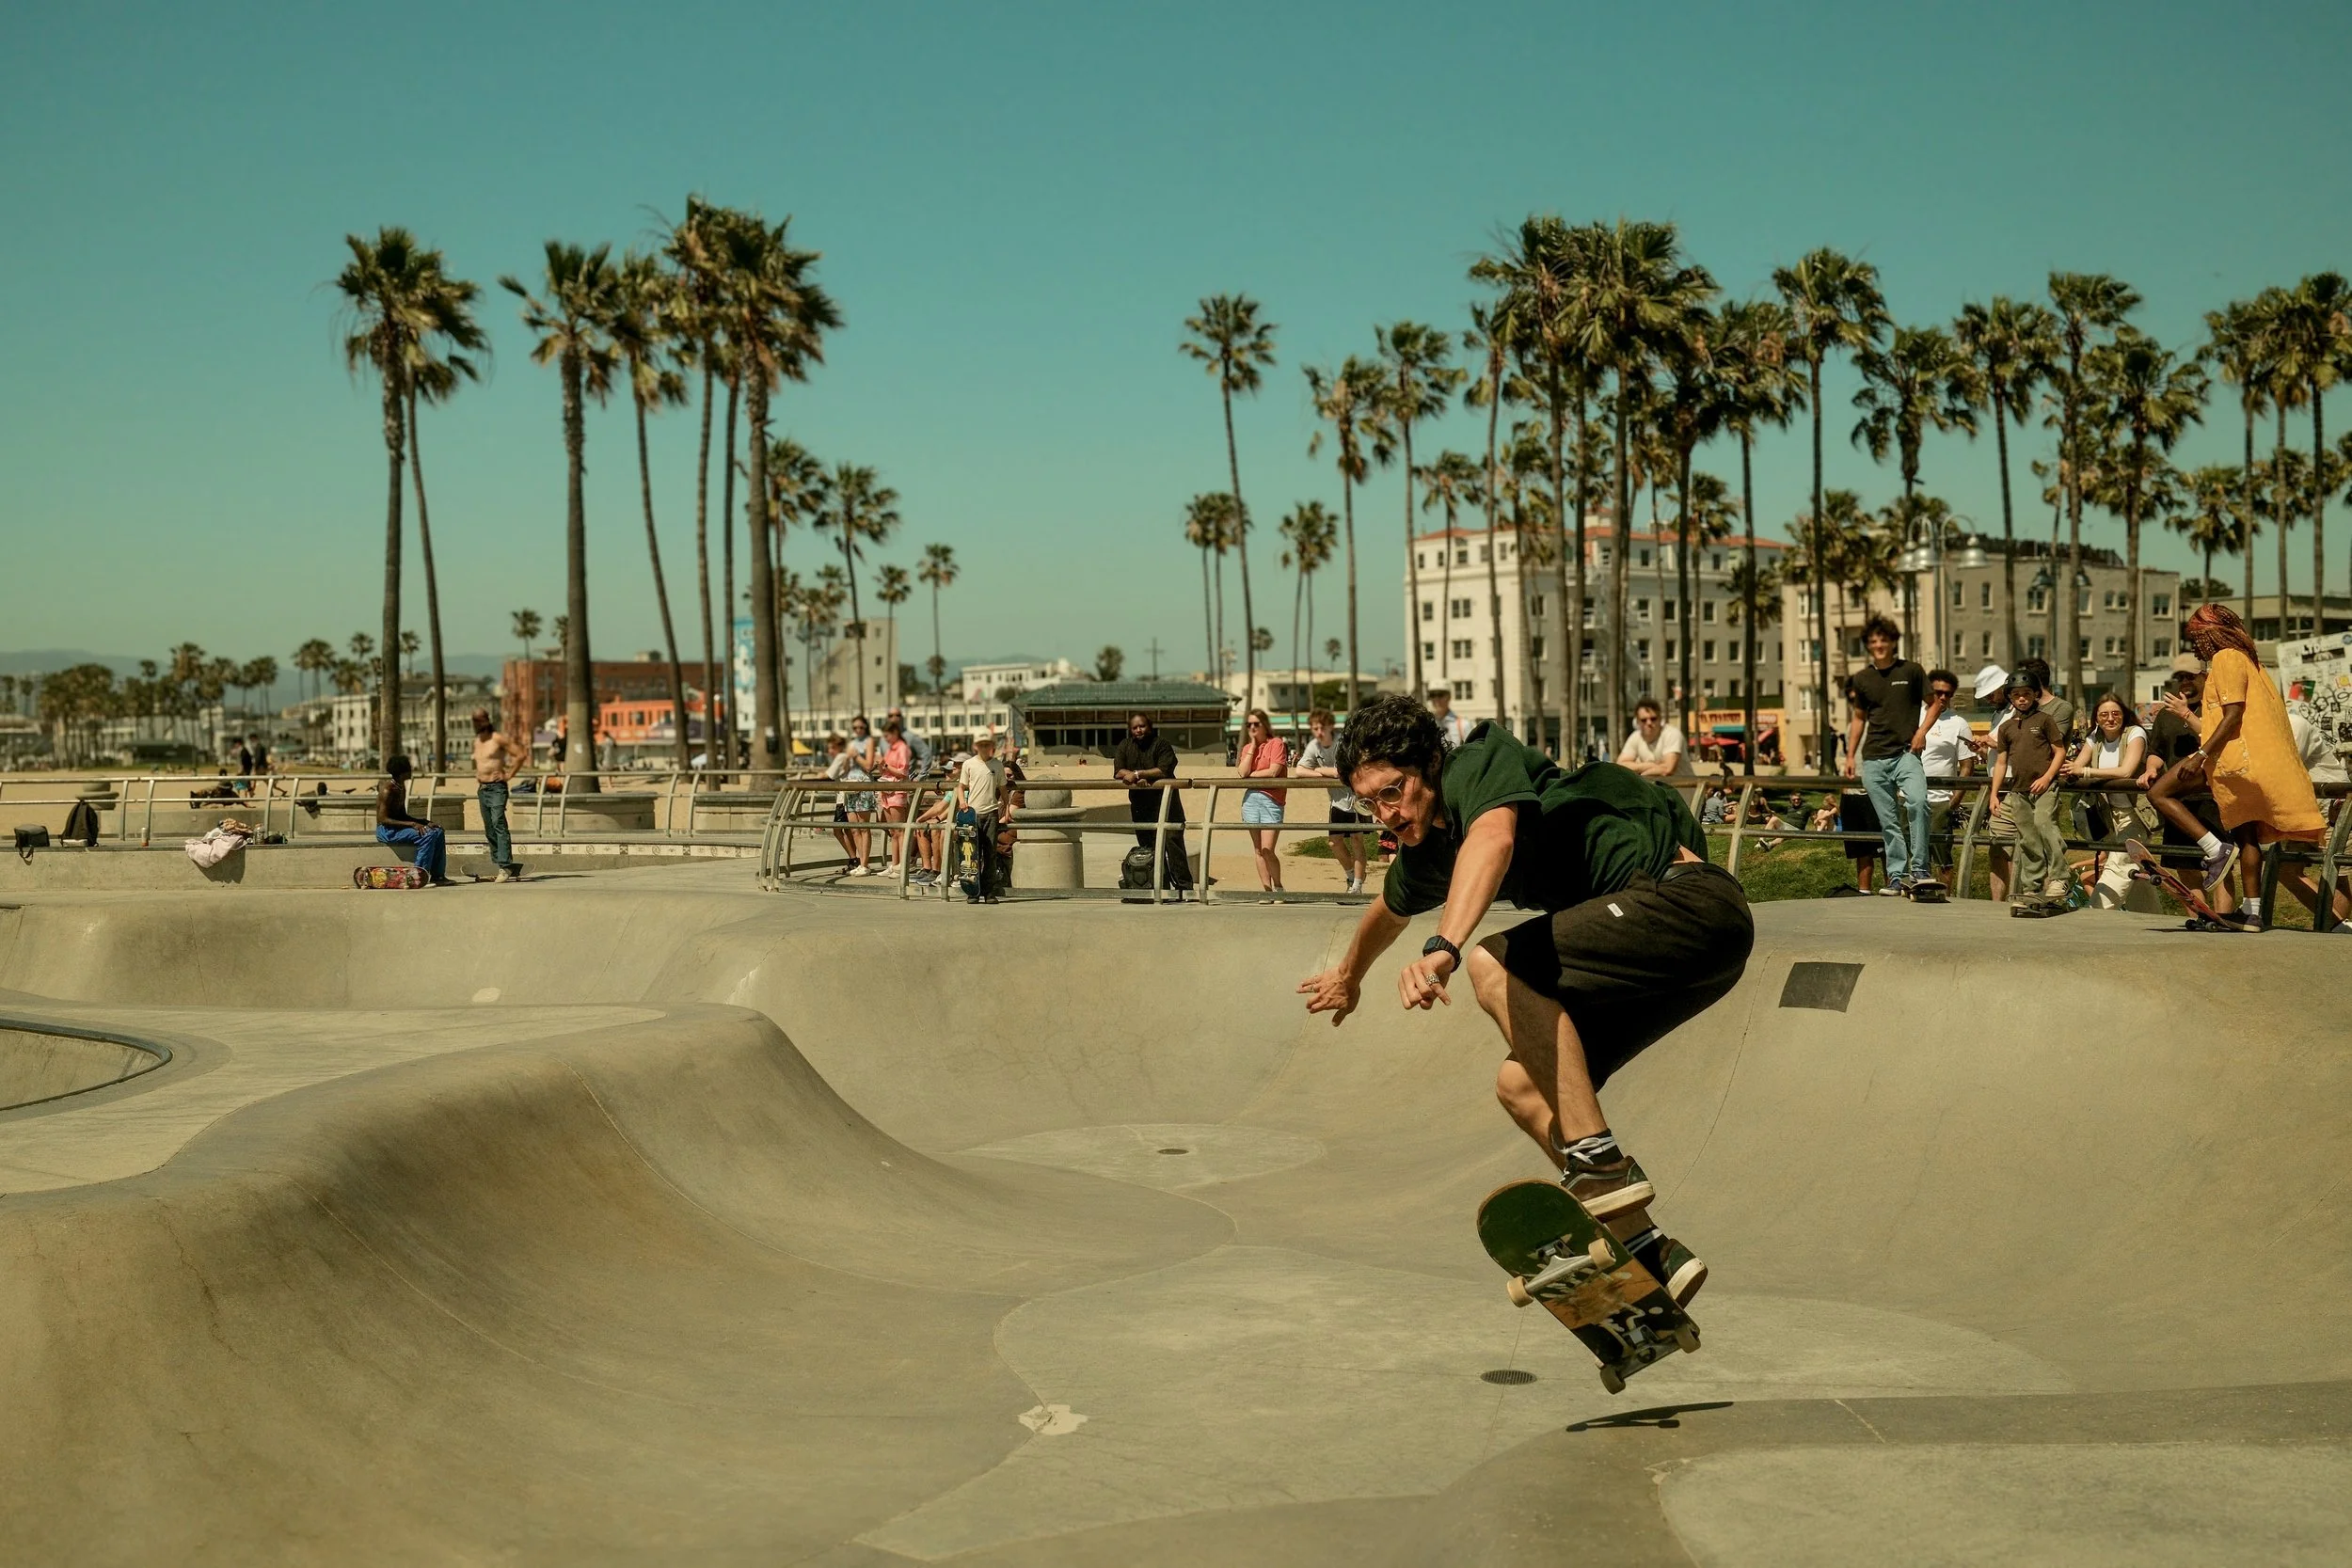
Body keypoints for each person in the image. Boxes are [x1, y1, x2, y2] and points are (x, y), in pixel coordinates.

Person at [1295, 694, 1753, 1307]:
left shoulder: (1475, 761)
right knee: (1520, 1084)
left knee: (1492, 961)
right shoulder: (1426, 848)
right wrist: (1350, 975)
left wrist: (1445, 946)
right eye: (1370, 801)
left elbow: (1493, 839)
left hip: (1692, 902)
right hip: (1681, 963)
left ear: (1429, 763)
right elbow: (1388, 910)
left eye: (1394, 790)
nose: (1386, 813)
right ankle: (1649, 1249)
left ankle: (1598, 1165)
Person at [2147, 604, 2326, 928]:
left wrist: (2201, 756)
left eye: (2196, 637)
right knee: (2247, 836)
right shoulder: (2250, 660)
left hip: (2233, 759)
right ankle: (2252, 913)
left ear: (2211, 632)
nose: (2195, 646)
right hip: (2256, 759)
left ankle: (2214, 849)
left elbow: (2232, 715)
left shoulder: (2226, 657)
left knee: (2160, 792)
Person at [1840, 614, 1939, 895]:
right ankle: (1896, 877)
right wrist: (1850, 757)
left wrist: (1921, 733)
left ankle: (1920, 868)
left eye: (1884, 639)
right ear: (1868, 646)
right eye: (1873, 641)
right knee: (1889, 822)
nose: (1879, 645)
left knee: (1919, 803)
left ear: (1893, 641)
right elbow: (1859, 720)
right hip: (1873, 759)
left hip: (1905, 754)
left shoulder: (1912, 671)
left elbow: (1934, 705)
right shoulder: (1863, 679)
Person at [1987, 676, 2071, 915]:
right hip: (2019, 790)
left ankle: (2059, 877)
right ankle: (2032, 887)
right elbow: (2001, 762)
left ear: (2035, 694)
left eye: (2026, 693)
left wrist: (2047, 778)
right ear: (2010, 697)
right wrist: (1995, 794)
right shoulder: (2007, 727)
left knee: (2044, 823)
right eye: (2016, 695)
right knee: (2028, 838)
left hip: (2044, 787)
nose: (2021, 699)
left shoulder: (2045, 720)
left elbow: (2060, 751)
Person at [1112, 711, 1192, 893]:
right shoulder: (1125, 745)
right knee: (1149, 847)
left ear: (1150, 726)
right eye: (1134, 727)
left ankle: (1184, 888)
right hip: (1141, 805)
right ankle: (1159, 887)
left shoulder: (1161, 744)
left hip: (1167, 804)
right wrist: (1132, 777)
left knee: (1173, 846)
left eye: (1142, 726)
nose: (1138, 730)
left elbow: (1164, 769)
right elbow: (1118, 771)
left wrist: (1139, 773)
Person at [1295, 708, 1368, 894]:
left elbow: (1341, 771)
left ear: (1330, 726)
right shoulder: (1314, 746)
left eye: (1321, 727)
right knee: (1334, 842)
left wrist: (1323, 770)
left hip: (1357, 799)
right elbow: (1300, 770)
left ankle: (1358, 885)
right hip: (1337, 801)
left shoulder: (1343, 742)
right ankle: (1351, 876)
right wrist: (1321, 772)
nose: (1318, 732)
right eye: (1314, 728)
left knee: (1356, 840)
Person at [1916, 669, 1975, 877]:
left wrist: (1955, 799)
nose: (1942, 697)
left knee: (1942, 860)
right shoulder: (1913, 716)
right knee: (1909, 855)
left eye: (1947, 693)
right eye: (1937, 691)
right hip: (1909, 798)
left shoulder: (1958, 723)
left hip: (1940, 801)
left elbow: (1967, 765)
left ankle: (1944, 901)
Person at [1235, 707, 1290, 895]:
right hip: (1251, 800)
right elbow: (1242, 772)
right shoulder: (1246, 749)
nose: (1252, 727)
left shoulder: (1276, 743)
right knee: (1258, 849)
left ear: (1264, 725)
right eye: (1248, 724)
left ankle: (1279, 886)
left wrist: (1252, 775)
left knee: (1268, 849)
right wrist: (1252, 746)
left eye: (1256, 724)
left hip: (1271, 800)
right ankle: (1266, 890)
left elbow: (1274, 771)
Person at [470, 708, 528, 882]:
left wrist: (509, 775)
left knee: (498, 823)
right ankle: (499, 864)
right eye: (474, 720)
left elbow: (521, 754)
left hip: (497, 788)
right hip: (482, 788)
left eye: (479, 720)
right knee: (489, 828)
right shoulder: (477, 741)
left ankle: (505, 864)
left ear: (486, 720)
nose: (476, 723)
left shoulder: (498, 738)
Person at [374, 754, 451, 886]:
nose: (412, 771)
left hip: (397, 827)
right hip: (387, 831)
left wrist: (424, 822)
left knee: (437, 831)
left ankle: (438, 876)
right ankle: (418, 876)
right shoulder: (388, 790)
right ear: (402, 772)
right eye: (409, 769)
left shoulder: (400, 787)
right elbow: (383, 819)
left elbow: (403, 815)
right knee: (428, 835)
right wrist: (413, 824)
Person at [952, 730, 1007, 903]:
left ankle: (988, 891)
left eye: (987, 744)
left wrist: (1008, 808)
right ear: (976, 746)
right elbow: (960, 787)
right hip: (973, 813)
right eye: (981, 744)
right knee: (971, 854)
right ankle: (973, 891)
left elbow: (1003, 789)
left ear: (992, 746)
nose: (984, 747)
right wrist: (962, 803)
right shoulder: (969, 764)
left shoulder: (997, 765)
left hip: (991, 813)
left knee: (990, 853)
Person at [874, 717, 915, 874]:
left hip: (897, 791)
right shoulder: (890, 749)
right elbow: (885, 770)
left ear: (895, 733)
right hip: (886, 790)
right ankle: (895, 863)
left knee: (900, 830)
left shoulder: (902, 748)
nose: (886, 739)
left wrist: (885, 765)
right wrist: (881, 766)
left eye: (887, 735)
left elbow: (903, 772)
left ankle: (902, 863)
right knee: (893, 831)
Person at [1616, 698, 1692, 778]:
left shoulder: (1672, 734)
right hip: (1658, 788)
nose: (1649, 723)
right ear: (1637, 722)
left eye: (1653, 719)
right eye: (1644, 720)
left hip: (1685, 788)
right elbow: (1620, 766)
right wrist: (1649, 765)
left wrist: (1641, 775)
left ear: (1660, 719)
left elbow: (1667, 769)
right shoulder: (1635, 737)